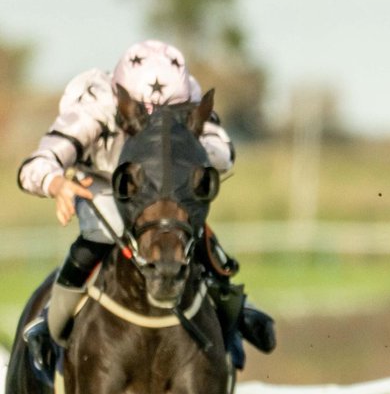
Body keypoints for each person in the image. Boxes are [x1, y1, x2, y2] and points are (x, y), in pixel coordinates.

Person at [17, 39, 276, 371]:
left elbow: (224, 153)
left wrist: (192, 151)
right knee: (102, 233)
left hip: (163, 187)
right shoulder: (95, 108)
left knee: (185, 228)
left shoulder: (189, 101)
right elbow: (37, 163)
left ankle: (234, 307)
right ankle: (49, 321)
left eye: (173, 115)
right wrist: (56, 183)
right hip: (107, 182)